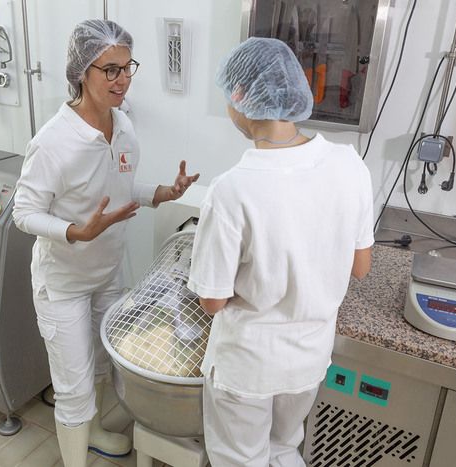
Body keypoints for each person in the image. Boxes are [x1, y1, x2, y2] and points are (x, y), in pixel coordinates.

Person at [13, 19, 199, 467]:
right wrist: (76, 232)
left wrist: (162, 194)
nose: (122, 80)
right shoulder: (54, 142)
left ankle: (93, 434)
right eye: (109, 70)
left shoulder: (123, 126)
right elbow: (22, 212)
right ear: (82, 72)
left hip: (107, 273)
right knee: (74, 388)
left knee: (100, 366)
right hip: (64, 283)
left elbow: (120, 188)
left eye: (127, 67)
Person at [187, 37, 373, 467]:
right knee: (284, 450)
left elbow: (212, 301)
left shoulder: (232, 190)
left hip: (248, 366)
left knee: (241, 459)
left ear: (239, 96)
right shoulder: (350, 164)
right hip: (308, 360)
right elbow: (360, 266)